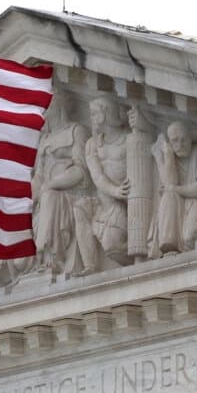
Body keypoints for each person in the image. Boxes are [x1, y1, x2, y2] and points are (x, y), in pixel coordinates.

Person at [31, 94, 90, 274]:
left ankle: (52, 256)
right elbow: (38, 178)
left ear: (59, 107)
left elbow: (81, 171)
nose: (44, 114)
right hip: (47, 198)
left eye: (47, 108)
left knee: (50, 196)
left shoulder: (76, 131)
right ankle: (36, 260)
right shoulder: (44, 140)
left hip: (70, 195)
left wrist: (52, 184)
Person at [74, 96, 131, 272]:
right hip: (104, 202)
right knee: (80, 207)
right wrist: (115, 190)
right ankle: (90, 265)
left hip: (124, 204)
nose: (90, 117)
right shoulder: (92, 144)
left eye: (94, 113)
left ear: (106, 114)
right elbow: (97, 177)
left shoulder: (129, 139)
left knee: (112, 246)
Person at [151, 121, 197, 254]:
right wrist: (166, 155)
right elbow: (168, 183)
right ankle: (169, 245)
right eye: (175, 141)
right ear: (170, 143)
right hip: (177, 203)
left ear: (190, 138)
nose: (180, 145)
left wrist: (176, 189)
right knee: (168, 197)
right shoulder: (171, 156)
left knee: (189, 237)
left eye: (184, 140)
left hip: (196, 200)